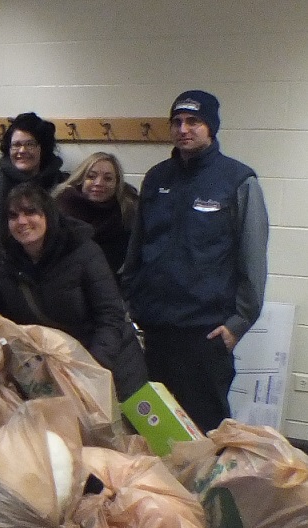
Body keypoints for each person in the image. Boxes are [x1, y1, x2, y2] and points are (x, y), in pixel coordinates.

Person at [124, 90, 269, 431]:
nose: (183, 129)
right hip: (155, 328)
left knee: (204, 433)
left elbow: (253, 259)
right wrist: (129, 300)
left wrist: (239, 323)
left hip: (205, 332)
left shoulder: (238, 180)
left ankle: (204, 487)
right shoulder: (157, 178)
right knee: (154, 429)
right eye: (177, 121)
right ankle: (156, 487)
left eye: (194, 121)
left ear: (211, 127)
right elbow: (137, 247)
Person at [0, 183, 147, 400]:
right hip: (58, 372)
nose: (22, 221)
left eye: (31, 212)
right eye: (13, 215)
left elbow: (110, 318)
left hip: (112, 370)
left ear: (48, 214)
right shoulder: (5, 262)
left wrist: (90, 371)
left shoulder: (84, 252)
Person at [56, 152, 137, 275]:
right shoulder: (58, 212)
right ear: (81, 179)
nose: (99, 183)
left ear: (117, 184)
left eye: (108, 178)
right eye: (91, 177)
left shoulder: (127, 217)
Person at [0, 112, 67, 231]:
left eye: (30, 144)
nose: (22, 150)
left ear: (43, 148)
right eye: (16, 145)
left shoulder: (61, 183)